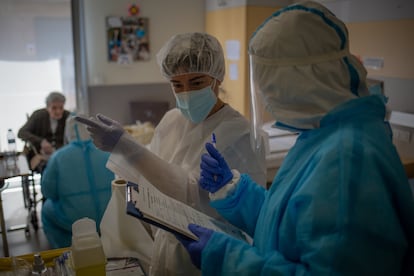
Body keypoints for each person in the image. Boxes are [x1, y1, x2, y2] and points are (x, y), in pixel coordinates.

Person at [176, 1, 414, 275]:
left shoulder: (348, 158)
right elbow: (290, 222)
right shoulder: (322, 135)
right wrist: (234, 191)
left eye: (270, 85)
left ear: (300, 81)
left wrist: (226, 258)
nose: (266, 97)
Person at [76, 32, 266, 275]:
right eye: (177, 84)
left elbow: (191, 195)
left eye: (196, 83)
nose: (186, 93)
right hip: (166, 245)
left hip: (214, 252)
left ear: (217, 78)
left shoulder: (241, 134)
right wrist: (122, 154)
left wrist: (126, 146)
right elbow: (148, 174)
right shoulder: (172, 119)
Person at [40, 115, 115, 248]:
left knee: (46, 209)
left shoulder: (58, 157)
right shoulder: (107, 152)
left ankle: (65, 250)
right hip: (109, 218)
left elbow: (48, 192)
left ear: (67, 133)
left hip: (74, 221)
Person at [18, 91, 70, 173]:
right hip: (41, 153)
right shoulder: (38, 115)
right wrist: (41, 141)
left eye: (61, 108)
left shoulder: (68, 116)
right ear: (47, 107)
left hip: (62, 153)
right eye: (54, 108)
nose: (58, 111)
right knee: (49, 167)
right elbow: (22, 133)